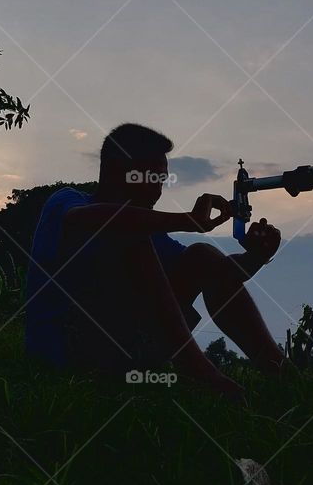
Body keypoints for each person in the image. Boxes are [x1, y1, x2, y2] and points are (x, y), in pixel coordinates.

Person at [25, 123, 285, 399]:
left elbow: (215, 273)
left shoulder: (149, 234)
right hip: (68, 352)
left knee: (201, 254)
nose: (158, 191)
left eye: (162, 180)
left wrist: (256, 257)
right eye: (154, 179)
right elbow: (86, 220)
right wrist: (185, 220)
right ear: (117, 172)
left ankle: (279, 369)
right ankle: (202, 373)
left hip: (128, 347)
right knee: (130, 234)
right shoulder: (67, 201)